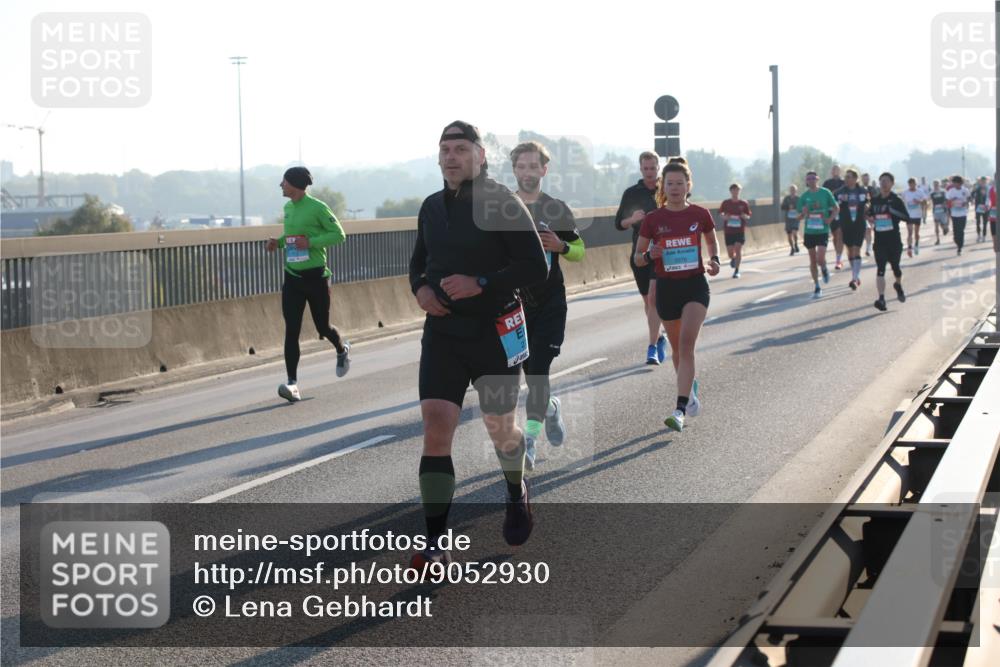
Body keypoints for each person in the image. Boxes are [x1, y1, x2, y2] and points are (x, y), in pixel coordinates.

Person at [408, 121, 548, 568]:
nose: (451, 156)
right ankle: (435, 544)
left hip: (494, 331)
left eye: (461, 149)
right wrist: (421, 291)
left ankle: (515, 490)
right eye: (445, 149)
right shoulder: (431, 208)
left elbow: (535, 268)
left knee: (500, 428)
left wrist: (481, 282)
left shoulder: (503, 204)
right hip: (444, 334)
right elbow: (418, 264)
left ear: (480, 155)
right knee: (435, 424)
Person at [509, 140, 585, 470]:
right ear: (514, 170)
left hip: (551, 304)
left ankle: (527, 441)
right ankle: (551, 408)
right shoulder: (504, 208)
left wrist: (561, 245)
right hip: (514, 306)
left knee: (538, 372)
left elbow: (581, 250)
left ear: (544, 169)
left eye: (532, 166)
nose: (527, 172)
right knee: (528, 375)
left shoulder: (555, 208)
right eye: (521, 166)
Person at [634, 158, 721, 433]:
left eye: (679, 183)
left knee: (686, 345)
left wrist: (715, 258)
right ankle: (690, 390)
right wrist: (650, 255)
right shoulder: (653, 219)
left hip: (695, 285)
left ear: (688, 186)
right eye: (669, 183)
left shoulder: (700, 214)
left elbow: (711, 238)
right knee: (676, 352)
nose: (674, 188)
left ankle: (679, 409)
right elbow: (637, 258)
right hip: (667, 288)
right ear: (663, 186)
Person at [265, 167, 350, 402]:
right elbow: (293, 239)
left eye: (283, 181)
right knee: (291, 330)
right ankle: (292, 384)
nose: (280, 185)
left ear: (294, 184)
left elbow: (339, 235)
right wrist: (278, 242)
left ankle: (342, 350)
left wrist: (310, 243)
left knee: (323, 328)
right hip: (292, 278)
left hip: (316, 278)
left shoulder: (318, 208)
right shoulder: (288, 208)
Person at [615, 151, 667, 365]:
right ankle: (660, 336)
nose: (649, 172)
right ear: (640, 169)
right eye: (645, 168)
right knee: (648, 303)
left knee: (654, 298)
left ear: (658, 168)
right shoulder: (631, 193)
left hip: (663, 253)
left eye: (653, 168)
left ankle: (652, 347)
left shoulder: (667, 189)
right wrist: (632, 219)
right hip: (639, 253)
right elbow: (618, 224)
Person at [867, 172, 909, 311]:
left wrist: (891, 211)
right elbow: (869, 214)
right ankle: (881, 298)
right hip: (879, 240)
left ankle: (898, 284)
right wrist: (870, 218)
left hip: (894, 240)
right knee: (880, 270)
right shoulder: (875, 200)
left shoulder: (896, 200)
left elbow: (906, 217)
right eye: (881, 181)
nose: (883, 184)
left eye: (886, 181)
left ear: (892, 183)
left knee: (896, 268)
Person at [798, 171, 839, 298]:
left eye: (813, 178)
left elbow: (836, 208)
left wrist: (830, 219)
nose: (811, 181)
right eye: (808, 179)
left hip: (822, 230)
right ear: (806, 181)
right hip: (809, 232)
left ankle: (824, 268)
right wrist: (803, 213)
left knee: (820, 258)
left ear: (817, 179)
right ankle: (817, 286)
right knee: (812, 260)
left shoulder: (825, 192)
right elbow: (798, 217)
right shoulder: (804, 197)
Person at [835, 169, 869, 290]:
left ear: (855, 179)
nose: (847, 179)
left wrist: (867, 208)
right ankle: (855, 275)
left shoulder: (863, 191)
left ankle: (854, 279)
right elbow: (834, 205)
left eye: (849, 177)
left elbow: (868, 205)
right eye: (846, 177)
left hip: (859, 224)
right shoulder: (839, 192)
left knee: (856, 250)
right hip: (846, 224)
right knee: (850, 251)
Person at [718, 183, 752, 278]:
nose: (735, 192)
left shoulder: (743, 203)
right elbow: (720, 213)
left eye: (737, 190)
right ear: (731, 191)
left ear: (739, 191)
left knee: (738, 249)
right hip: (728, 231)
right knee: (730, 253)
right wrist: (725, 217)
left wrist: (744, 216)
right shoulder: (726, 203)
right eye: (734, 190)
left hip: (739, 231)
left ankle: (737, 270)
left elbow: (748, 215)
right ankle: (732, 259)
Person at [822, 165, 846, 269]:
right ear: (831, 172)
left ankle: (838, 259)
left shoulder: (844, 182)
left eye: (836, 169)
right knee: (835, 236)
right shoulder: (827, 183)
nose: (835, 171)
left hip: (842, 211)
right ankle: (838, 255)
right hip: (831, 212)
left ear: (839, 171)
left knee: (840, 234)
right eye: (833, 169)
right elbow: (823, 196)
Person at [946, 174, 972, 256]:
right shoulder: (951, 191)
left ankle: (960, 246)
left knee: (961, 230)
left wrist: (966, 203)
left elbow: (969, 198)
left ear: (961, 183)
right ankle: (957, 241)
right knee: (956, 231)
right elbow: (947, 201)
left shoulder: (965, 190)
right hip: (954, 214)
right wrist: (952, 202)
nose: (956, 184)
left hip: (963, 213)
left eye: (958, 183)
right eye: (954, 183)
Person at [900, 178, 926, 257]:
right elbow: (901, 202)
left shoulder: (920, 192)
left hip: (917, 214)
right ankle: (909, 248)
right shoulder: (905, 192)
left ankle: (916, 245)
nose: (912, 185)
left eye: (913, 183)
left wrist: (919, 202)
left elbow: (925, 202)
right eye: (910, 184)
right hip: (909, 215)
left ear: (916, 184)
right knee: (910, 232)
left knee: (916, 233)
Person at [780, 184, 801, 255]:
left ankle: (796, 243)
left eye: (794, 190)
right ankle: (792, 248)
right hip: (788, 219)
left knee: (795, 232)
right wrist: (788, 207)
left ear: (796, 191)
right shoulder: (786, 198)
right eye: (791, 190)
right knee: (789, 235)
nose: (792, 191)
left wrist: (796, 208)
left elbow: (801, 207)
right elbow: (782, 207)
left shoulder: (798, 198)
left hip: (796, 218)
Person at [861, 173, 878, 256]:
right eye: (864, 179)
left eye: (867, 179)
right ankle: (868, 243)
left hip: (871, 212)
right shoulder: (859, 189)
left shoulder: (872, 189)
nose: (866, 180)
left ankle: (868, 247)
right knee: (865, 231)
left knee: (869, 229)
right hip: (861, 213)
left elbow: (875, 200)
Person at [929, 180, 949, 245]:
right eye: (935, 184)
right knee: (936, 225)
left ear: (939, 184)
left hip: (943, 210)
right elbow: (929, 200)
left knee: (944, 225)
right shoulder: (931, 193)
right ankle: (938, 239)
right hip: (935, 211)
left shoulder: (943, 191)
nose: (936, 185)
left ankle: (945, 228)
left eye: (937, 184)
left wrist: (945, 204)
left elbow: (947, 199)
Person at [973, 176, 989, 243]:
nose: (983, 182)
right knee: (978, 222)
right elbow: (972, 194)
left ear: (986, 181)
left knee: (985, 222)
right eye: (982, 181)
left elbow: (990, 197)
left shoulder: (988, 188)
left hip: (986, 207)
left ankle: (984, 236)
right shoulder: (977, 188)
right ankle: (979, 235)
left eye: (984, 181)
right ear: (980, 181)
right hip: (978, 207)